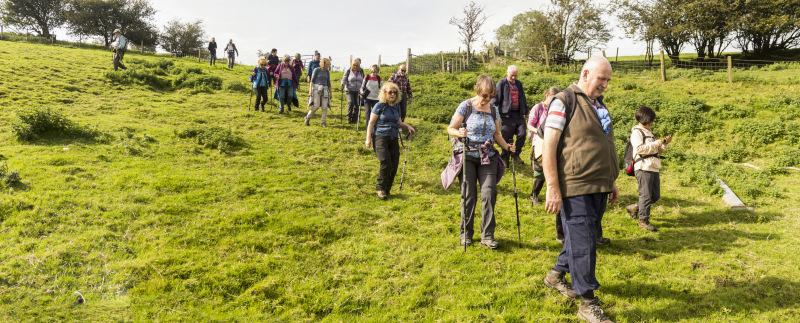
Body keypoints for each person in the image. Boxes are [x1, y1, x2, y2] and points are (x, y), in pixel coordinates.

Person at [541, 56, 618, 323]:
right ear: (585, 73)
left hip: (599, 185)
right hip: (575, 186)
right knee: (585, 243)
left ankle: (554, 275)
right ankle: (588, 302)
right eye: (601, 79)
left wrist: (611, 181)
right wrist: (552, 187)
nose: (605, 84)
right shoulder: (564, 101)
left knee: (580, 238)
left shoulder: (598, 105)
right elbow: (549, 145)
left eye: (608, 80)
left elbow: (602, 145)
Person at [446, 75, 516, 250]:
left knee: (489, 193)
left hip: (488, 155)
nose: (488, 99)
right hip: (467, 154)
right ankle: (466, 234)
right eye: (485, 95)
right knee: (469, 196)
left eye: (491, 96)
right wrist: (459, 133)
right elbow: (450, 128)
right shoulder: (466, 106)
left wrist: (507, 147)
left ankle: (487, 235)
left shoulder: (494, 109)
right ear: (477, 90)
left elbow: (497, 134)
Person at [365, 82, 416, 200]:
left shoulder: (396, 106)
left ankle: (387, 190)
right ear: (384, 93)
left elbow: (399, 123)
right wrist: (368, 138)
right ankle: (380, 188)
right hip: (380, 137)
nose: (392, 94)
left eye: (395, 92)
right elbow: (371, 123)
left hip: (394, 137)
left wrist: (407, 126)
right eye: (390, 92)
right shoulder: (379, 105)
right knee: (386, 162)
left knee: (394, 164)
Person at [626, 106, 672, 232]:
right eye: (651, 119)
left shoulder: (650, 132)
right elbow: (639, 149)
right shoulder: (637, 132)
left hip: (654, 166)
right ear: (646, 119)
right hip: (643, 166)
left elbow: (657, 150)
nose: (651, 122)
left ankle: (634, 207)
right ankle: (643, 221)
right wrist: (656, 143)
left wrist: (665, 143)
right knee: (645, 196)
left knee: (655, 196)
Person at [492, 65, 528, 167]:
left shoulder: (519, 83)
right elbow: (496, 98)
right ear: (507, 73)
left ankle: (516, 154)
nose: (513, 77)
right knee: (506, 137)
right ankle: (505, 158)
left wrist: (526, 111)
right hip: (507, 115)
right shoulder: (502, 83)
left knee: (522, 134)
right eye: (512, 75)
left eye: (515, 75)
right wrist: (492, 110)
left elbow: (523, 98)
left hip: (519, 114)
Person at [305, 58, 332, 127]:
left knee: (324, 107)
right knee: (316, 106)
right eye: (328, 64)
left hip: (325, 90)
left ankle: (323, 122)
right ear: (323, 64)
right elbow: (312, 81)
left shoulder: (327, 72)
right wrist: (310, 90)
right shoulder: (316, 70)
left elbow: (328, 83)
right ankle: (307, 117)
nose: (329, 65)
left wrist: (331, 93)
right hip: (316, 89)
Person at [341, 59, 364, 124]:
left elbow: (363, 80)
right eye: (354, 65)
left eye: (356, 65)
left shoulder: (361, 71)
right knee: (351, 102)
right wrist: (342, 84)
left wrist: (363, 88)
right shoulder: (348, 71)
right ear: (352, 65)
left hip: (358, 91)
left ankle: (354, 119)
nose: (355, 66)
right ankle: (348, 118)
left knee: (356, 105)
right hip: (349, 90)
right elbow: (344, 78)